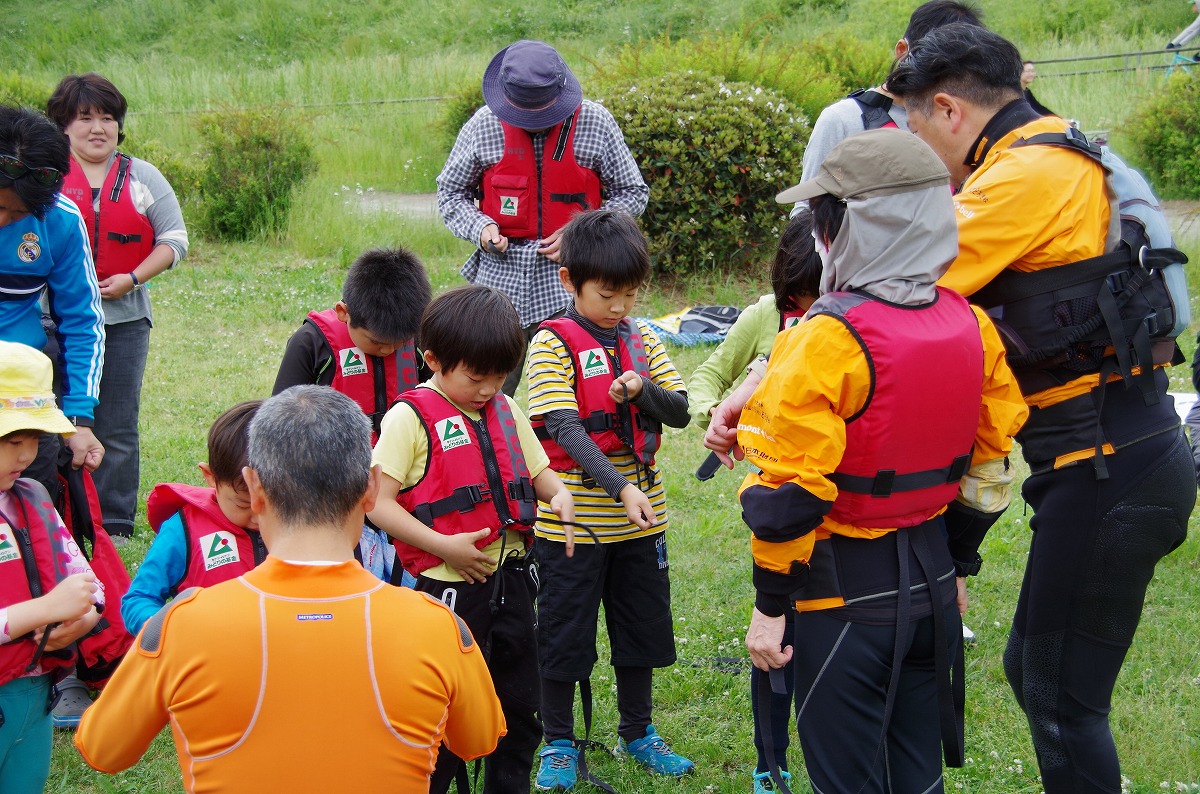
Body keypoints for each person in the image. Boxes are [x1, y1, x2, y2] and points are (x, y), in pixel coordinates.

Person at [886, 24, 1196, 793]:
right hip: (1109, 458)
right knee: (1034, 669)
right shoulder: (1063, 148)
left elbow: (886, 288)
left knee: (1062, 699)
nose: (914, 147)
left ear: (951, 109)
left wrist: (764, 377)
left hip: (1108, 465)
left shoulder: (1023, 177)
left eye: (914, 126)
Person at [740, 129, 1027, 793]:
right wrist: (958, 563)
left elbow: (790, 495)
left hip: (839, 597)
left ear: (845, 231)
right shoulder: (970, 324)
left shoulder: (823, 339)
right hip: (932, 589)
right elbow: (991, 471)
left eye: (822, 220)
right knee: (916, 777)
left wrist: (769, 606)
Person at [75, 386, 506, 792]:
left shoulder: (177, 627)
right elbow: (478, 739)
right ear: (372, 487)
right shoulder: (442, 627)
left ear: (255, 489)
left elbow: (103, 749)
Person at [367, 284, 573, 794]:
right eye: (476, 377)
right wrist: (444, 547)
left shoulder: (506, 409)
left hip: (514, 580)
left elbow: (540, 472)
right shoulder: (408, 419)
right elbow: (377, 503)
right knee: (445, 709)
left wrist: (561, 497)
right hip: (448, 591)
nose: (488, 390)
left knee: (519, 702)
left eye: (500, 377)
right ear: (433, 359)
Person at [527, 209, 694, 790]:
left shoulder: (644, 338)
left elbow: (680, 411)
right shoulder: (551, 341)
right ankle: (557, 741)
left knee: (641, 630)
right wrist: (618, 486)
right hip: (573, 524)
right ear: (570, 281)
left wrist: (642, 389)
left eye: (629, 294)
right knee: (564, 633)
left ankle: (638, 732)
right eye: (607, 294)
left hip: (642, 521)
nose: (620, 306)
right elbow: (563, 427)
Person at [688, 211, 821, 793]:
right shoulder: (768, 321)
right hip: (783, 512)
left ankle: (824, 755)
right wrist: (718, 417)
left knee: (818, 642)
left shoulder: (859, 322)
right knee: (775, 636)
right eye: (799, 299)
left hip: (842, 518)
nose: (812, 309)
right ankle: (771, 763)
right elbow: (720, 378)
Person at [437, 39, 649, 396]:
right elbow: (450, 193)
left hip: (576, 279)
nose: (534, 123)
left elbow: (632, 192)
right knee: (481, 384)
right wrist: (482, 227)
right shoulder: (482, 125)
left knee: (579, 384)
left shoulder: (595, 122)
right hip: (500, 276)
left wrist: (582, 233)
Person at [46, 74, 189, 545]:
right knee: (48, 419)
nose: (97, 128)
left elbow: (175, 240)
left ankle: (115, 525)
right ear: (63, 125)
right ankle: (51, 515)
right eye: (85, 118)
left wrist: (133, 278)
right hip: (51, 321)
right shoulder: (43, 176)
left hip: (124, 321)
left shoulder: (143, 176)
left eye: (107, 118)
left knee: (117, 425)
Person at [274, 247, 432, 582]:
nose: (389, 350)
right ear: (344, 312)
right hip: (332, 486)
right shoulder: (310, 343)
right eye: (377, 343)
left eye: (397, 343)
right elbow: (280, 422)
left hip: (400, 483)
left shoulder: (416, 341)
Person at [0, 340, 103, 794]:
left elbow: (86, 580)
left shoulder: (33, 499)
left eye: (35, 441)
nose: (25, 457)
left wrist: (84, 616)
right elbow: (51, 602)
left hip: (35, 693)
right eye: (12, 441)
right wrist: (45, 611)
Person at [0, 104, 105, 500]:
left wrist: (78, 417)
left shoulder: (59, 220)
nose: (4, 220)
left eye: (19, 213)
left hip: (24, 392)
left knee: (30, 504)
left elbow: (82, 322)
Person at [794, 0, 984, 201]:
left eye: (956, 71)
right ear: (902, 50)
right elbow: (805, 210)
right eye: (935, 66)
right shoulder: (843, 119)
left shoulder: (960, 125)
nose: (942, 80)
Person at [120, 400, 264, 636]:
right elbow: (139, 598)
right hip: (209, 661)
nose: (259, 517)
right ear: (210, 477)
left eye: (273, 503)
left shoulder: (301, 521)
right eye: (244, 504)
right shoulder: (183, 529)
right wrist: (171, 635)